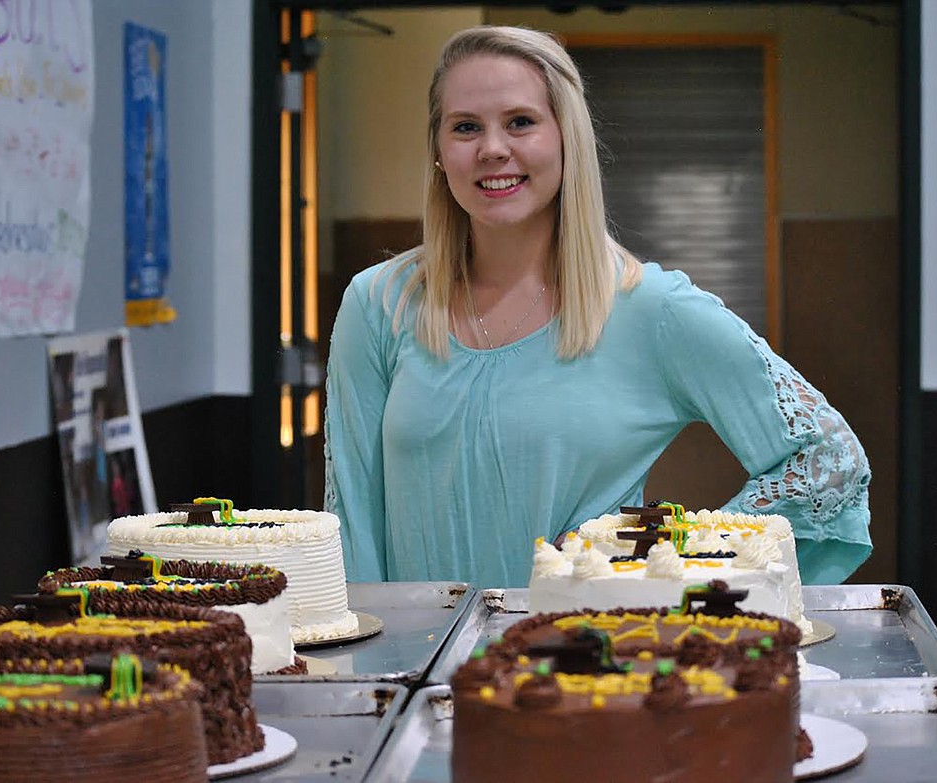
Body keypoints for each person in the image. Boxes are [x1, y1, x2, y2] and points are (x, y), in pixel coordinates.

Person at [324, 25, 871, 589]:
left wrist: (680, 566)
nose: (492, 148)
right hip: (420, 665)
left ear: (568, 138)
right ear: (439, 152)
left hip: (583, 662)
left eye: (520, 122)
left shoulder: (652, 309)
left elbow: (828, 461)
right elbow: (353, 522)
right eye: (466, 127)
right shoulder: (378, 304)